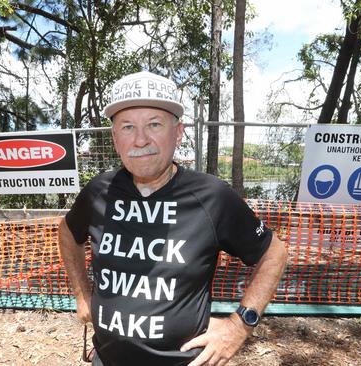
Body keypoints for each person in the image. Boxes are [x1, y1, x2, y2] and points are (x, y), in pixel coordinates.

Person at [58, 71, 288, 366]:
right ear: (115, 138)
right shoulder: (99, 192)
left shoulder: (211, 197)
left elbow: (274, 252)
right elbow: (67, 231)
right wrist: (81, 294)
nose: (140, 140)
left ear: (178, 132)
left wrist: (239, 325)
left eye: (154, 124)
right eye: (128, 127)